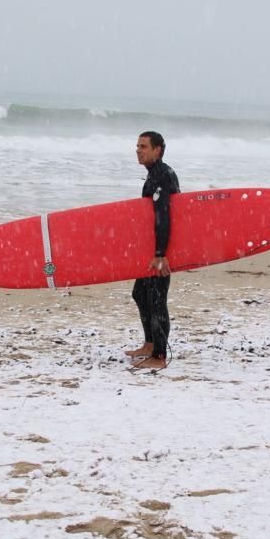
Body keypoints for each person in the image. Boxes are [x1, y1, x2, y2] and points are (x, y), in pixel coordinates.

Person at [126, 131, 180, 369]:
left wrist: (161, 254)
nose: (138, 150)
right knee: (140, 293)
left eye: (144, 146)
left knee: (157, 299)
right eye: (137, 145)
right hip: (152, 248)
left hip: (161, 250)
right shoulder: (154, 175)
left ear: (158, 150)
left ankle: (158, 356)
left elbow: (164, 215)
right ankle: (149, 343)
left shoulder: (161, 176)